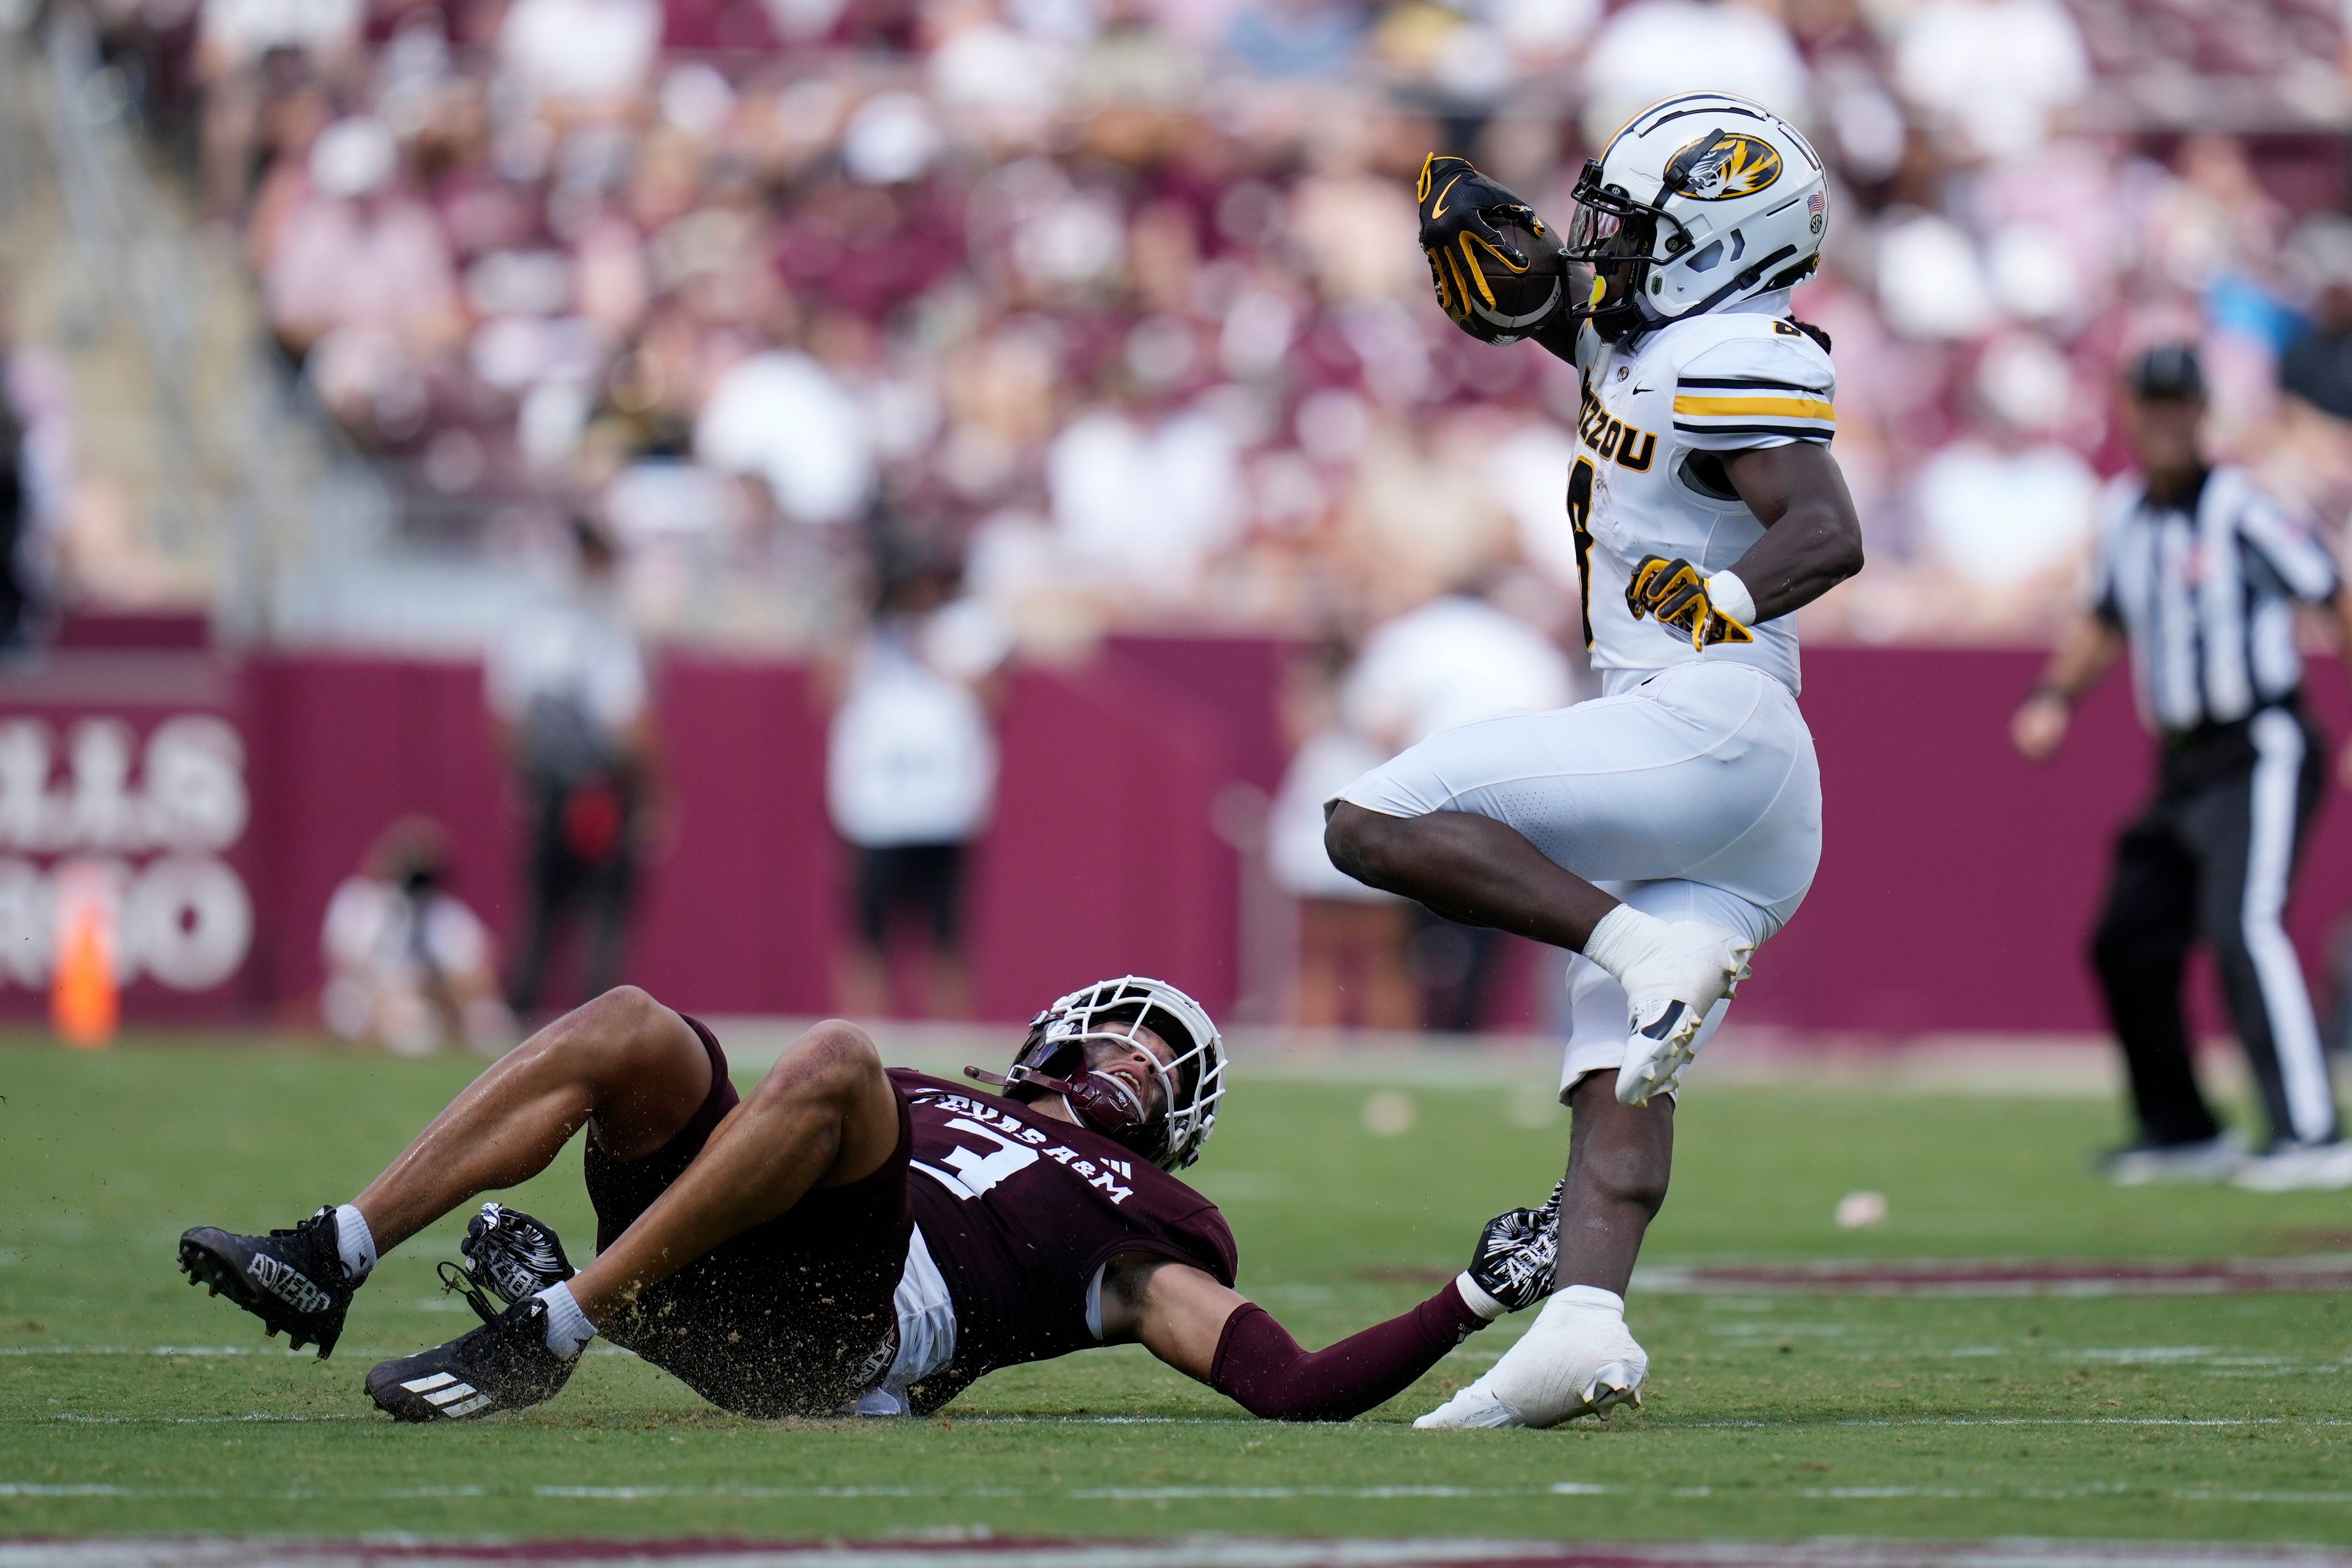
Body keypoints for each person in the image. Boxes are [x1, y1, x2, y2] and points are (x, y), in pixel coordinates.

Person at [1321, 96, 1865, 1428]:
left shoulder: (1735, 349)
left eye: (1632, 228)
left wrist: (1725, 596)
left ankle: (1633, 942)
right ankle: (1583, 1323)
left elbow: (1828, 528)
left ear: (1720, 245)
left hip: (1702, 718)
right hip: (1740, 781)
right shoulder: (1663, 335)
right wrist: (1520, 281)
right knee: (1614, 1071)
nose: (1599, 244)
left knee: (1370, 820)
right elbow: (1584, 322)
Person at [175, 976, 1562, 1422]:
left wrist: (1472, 1296)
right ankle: (331, 1248)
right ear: (1055, 1033)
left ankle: (558, 1320)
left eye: (1165, 1066)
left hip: (833, 1337)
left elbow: (1293, 1383)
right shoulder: (931, 1082)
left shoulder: (1146, 1223)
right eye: (1124, 1036)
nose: (1135, 1065)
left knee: (834, 1061)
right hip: (730, 1270)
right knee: (635, 1026)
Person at [2011, 344, 2352, 1193]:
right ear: (2130, 410)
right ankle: (2180, 1127)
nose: (2165, 421)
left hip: (2260, 743)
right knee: (2128, 936)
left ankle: (2311, 1131)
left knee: (2247, 926)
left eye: (2180, 404)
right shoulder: (2126, 510)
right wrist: (2056, 695)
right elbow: (2105, 616)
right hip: (2182, 765)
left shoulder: (2243, 507)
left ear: (2202, 413)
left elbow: (2332, 595)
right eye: (2151, 403)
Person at [486, 518, 662, 1017]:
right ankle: (594, 1030)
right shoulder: (604, 627)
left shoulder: (526, 623)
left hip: (546, 788)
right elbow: (628, 726)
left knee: (542, 912)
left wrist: (523, 781)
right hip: (598, 792)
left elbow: (507, 719)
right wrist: (652, 797)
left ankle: (517, 1026)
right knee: (603, 916)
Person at [824, 553, 1006, 1019]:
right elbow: (823, 687)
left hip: (942, 806)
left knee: (948, 936)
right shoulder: (866, 637)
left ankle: (951, 1045)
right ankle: (861, 1042)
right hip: (876, 808)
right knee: (868, 936)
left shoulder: (964, 631)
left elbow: (996, 694)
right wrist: (860, 614)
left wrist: (938, 655)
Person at [320, 818, 513, 1058]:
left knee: (491, 1023)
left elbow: (482, 966)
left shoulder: (442, 912)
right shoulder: (360, 901)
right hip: (374, 997)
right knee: (396, 1025)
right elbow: (343, 963)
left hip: (430, 1000)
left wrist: (446, 993)